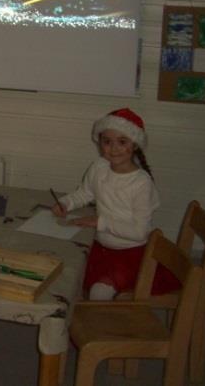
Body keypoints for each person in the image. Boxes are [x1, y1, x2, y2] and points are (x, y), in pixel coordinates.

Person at [52, 107, 177, 300]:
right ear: (100, 143)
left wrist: (99, 222)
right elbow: (85, 193)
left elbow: (139, 232)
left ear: (134, 144)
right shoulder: (99, 167)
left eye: (122, 142)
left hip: (131, 253)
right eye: (107, 142)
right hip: (100, 246)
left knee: (99, 291)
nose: (114, 148)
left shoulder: (141, 183)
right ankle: (76, 319)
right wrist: (65, 203)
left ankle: (99, 327)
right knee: (67, 271)